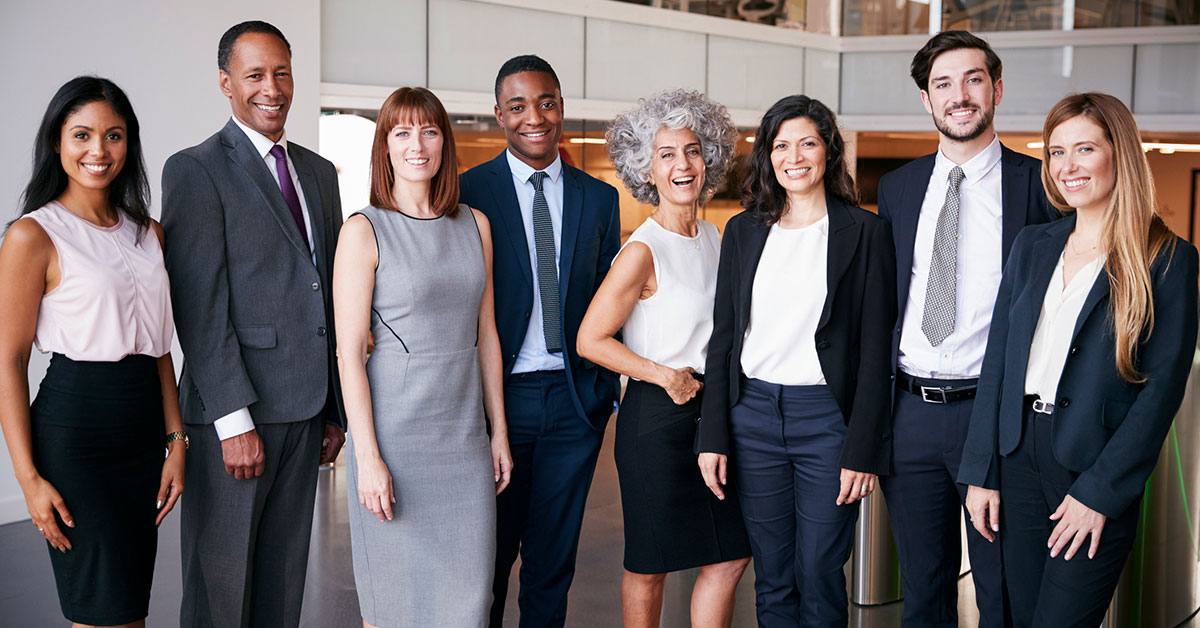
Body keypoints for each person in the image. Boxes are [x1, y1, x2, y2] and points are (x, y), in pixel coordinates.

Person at [960, 92, 1198, 627]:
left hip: (1091, 466)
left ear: (1120, 155)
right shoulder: (1033, 245)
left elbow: (1160, 393)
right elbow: (997, 364)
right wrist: (980, 473)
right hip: (1016, 457)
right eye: (1056, 152)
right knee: (1016, 616)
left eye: (1084, 149)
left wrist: (1100, 492)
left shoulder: (1167, 259)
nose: (1067, 166)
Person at [160, 20, 346, 628]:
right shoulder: (196, 169)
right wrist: (232, 419)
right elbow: (199, 307)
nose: (273, 87)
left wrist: (333, 410)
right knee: (221, 591)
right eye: (256, 75)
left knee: (282, 581)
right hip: (235, 415)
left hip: (305, 408)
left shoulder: (319, 173)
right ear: (226, 84)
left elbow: (329, 297)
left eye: (282, 72)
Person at [875, 30, 1057, 627]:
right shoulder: (898, 188)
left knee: (1001, 585)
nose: (959, 96)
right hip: (910, 413)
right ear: (926, 101)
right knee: (923, 590)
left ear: (996, 89)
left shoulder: (1040, 187)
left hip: (997, 415)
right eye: (943, 84)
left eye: (973, 79)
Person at [696, 94, 895, 627]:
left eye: (807, 142)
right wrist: (713, 433)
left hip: (828, 422)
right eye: (781, 145)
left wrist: (863, 446)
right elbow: (724, 340)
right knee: (774, 574)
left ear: (829, 151)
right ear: (767, 156)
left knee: (820, 569)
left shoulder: (866, 233)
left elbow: (877, 350)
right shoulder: (743, 231)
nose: (794, 156)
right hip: (753, 417)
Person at [0, 76, 183, 628]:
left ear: (130, 145)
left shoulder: (149, 234)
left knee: (130, 611)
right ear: (57, 142)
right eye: (81, 135)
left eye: (114, 136)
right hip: (76, 436)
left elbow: (159, 349)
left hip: (143, 433)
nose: (98, 151)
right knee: (99, 613)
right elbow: (8, 361)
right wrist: (28, 479)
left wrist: (176, 440)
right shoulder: (34, 236)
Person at [333, 86, 513, 628]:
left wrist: (497, 432)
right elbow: (348, 355)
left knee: (468, 606)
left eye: (430, 131)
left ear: (444, 144)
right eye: (402, 132)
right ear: (385, 146)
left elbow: (487, 335)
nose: (418, 145)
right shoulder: (364, 230)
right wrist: (368, 460)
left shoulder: (475, 225)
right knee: (395, 609)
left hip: (463, 445)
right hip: (396, 445)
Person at [576, 89, 751, 628]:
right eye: (667, 154)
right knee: (650, 565)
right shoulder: (641, 250)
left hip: (714, 416)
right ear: (646, 168)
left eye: (693, 151)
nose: (683, 164)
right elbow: (590, 339)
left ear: (710, 160)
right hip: (657, 419)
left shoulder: (718, 237)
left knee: (729, 554)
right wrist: (661, 375)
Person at [459, 54, 622, 628]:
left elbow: (613, 301)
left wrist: (603, 392)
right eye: (519, 105)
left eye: (546, 102)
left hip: (574, 403)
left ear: (561, 107)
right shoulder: (465, 192)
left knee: (552, 566)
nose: (535, 117)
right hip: (496, 403)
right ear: (498, 114)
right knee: (488, 562)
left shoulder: (598, 198)